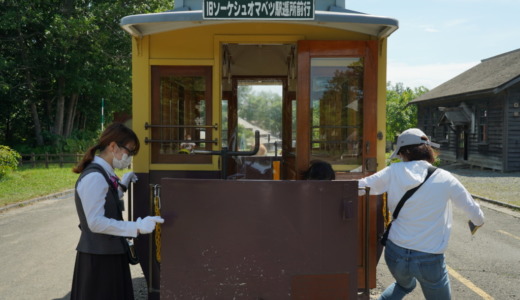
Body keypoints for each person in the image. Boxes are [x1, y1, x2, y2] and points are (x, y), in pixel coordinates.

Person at [358, 128, 484, 300]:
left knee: (404, 285)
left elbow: (359, 187)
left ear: (403, 152)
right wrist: (477, 221)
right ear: (427, 150)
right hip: (429, 259)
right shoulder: (446, 178)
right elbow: (475, 213)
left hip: (395, 253)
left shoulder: (392, 171)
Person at [70, 123, 164, 300]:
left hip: (107, 253)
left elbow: (106, 199)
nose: (129, 158)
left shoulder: (104, 173)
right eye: (129, 151)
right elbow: (95, 222)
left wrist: (122, 186)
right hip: (99, 258)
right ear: (113, 146)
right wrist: (136, 227)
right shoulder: (95, 177)